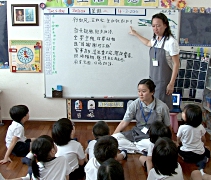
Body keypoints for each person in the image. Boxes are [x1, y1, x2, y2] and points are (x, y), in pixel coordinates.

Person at [129, 13, 180, 110]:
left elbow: (176, 64)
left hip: (164, 83)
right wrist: (135, 34)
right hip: (153, 81)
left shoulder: (171, 42)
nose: (155, 28)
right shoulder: (156, 39)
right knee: (153, 108)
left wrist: (171, 83)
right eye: (153, 26)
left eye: (158, 26)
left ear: (165, 25)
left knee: (162, 109)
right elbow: (148, 43)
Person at [112, 79, 171, 153]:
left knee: (152, 145)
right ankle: (140, 149)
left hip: (151, 137)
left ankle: (134, 148)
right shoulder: (135, 104)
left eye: (143, 91)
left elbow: (168, 126)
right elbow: (124, 122)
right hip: (136, 133)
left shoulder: (162, 107)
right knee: (116, 138)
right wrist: (112, 138)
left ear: (152, 92)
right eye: (139, 91)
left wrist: (170, 142)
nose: (140, 94)